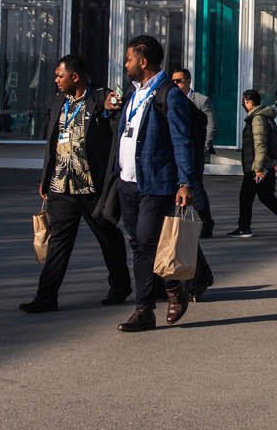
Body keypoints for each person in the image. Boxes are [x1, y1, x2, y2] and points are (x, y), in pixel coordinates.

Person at [20, 54, 132, 313]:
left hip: (91, 185)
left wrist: (113, 109)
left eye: (60, 75)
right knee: (59, 241)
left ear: (75, 77)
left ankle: (120, 285)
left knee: (107, 236)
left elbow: (117, 130)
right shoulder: (60, 100)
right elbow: (52, 141)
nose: (56, 80)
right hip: (62, 185)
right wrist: (46, 177)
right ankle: (46, 297)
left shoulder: (99, 99)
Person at [103, 35, 197, 333]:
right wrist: (110, 111)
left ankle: (167, 291)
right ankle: (147, 308)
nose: (126, 63)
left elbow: (184, 141)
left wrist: (185, 183)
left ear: (143, 61)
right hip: (128, 181)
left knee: (145, 240)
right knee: (139, 243)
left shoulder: (169, 95)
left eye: (129, 58)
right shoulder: (134, 93)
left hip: (156, 181)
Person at [230, 90, 277, 238]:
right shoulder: (265, 117)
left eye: (244, 102)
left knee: (246, 196)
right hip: (265, 165)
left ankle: (244, 228)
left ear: (249, 102)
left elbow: (260, 144)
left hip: (257, 167)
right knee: (265, 196)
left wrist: (258, 168)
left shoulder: (258, 119)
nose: (243, 104)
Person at [170, 69, 216, 237]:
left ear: (188, 81)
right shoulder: (171, 100)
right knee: (177, 187)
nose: (175, 84)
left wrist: (205, 147)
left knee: (195, 187)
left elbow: (210, 125)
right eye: (173, 81)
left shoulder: (201, 100)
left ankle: (206, 221)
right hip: (176, 152)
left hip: (195, 151)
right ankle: (178, 224)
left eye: (179, 81)